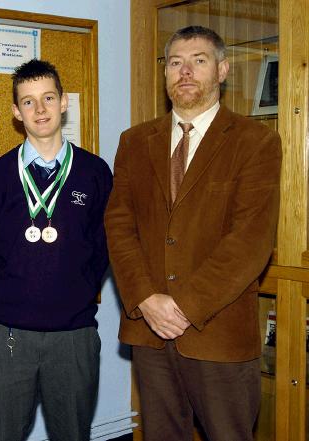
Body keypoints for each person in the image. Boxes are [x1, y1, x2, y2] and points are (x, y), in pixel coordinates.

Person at [105, 26, 282, 441]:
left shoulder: (255, 141)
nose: (185, 72)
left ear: (221, 70)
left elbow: (250, 242)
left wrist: (181, 307)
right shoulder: (134, 141)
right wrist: (146, 299)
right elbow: (118, 225)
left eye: (198, 61)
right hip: (149, 331)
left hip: (217, 331)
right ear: (165, 73)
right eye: (175, 62)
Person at [0, 59, 112, 441]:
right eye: (29, 102)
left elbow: (104, 245)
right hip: (8, 334)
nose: (40, 110)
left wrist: (80, 289)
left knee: (72, 434)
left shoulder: (95, 172)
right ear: (16, 112)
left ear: (64, 102)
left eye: (48, 98)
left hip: (74, 335)